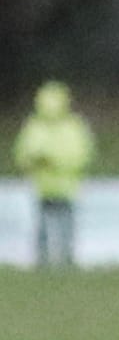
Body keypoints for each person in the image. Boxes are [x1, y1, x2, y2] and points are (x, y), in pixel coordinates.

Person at [13, 82, 95, 266]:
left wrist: (53, 162)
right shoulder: (36, 126)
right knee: (42, 227)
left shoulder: (71, 126)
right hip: (44, 187)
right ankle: (43, 260)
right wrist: (34, 161)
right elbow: (22, 154)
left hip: (65, 187)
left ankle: (66, 259)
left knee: (65, 226)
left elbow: (81, 155)